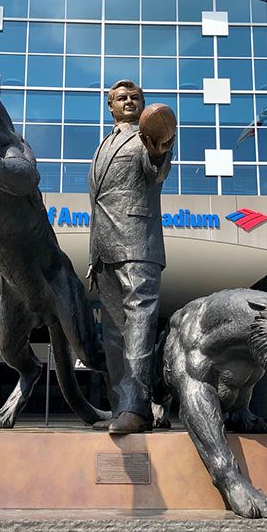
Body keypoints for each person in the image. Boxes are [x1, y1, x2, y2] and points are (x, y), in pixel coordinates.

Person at [87, 79, 175, 434]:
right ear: (110, 106)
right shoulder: (104, 144)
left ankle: (137, 407)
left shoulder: (147, 134)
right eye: (121, 98)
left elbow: (157, 169)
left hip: (138, 242)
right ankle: (120, 406)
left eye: (135, 97)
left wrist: (157, 148)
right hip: (104, 249)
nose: (128, 101)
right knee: (112, 333)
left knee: (139, 323)